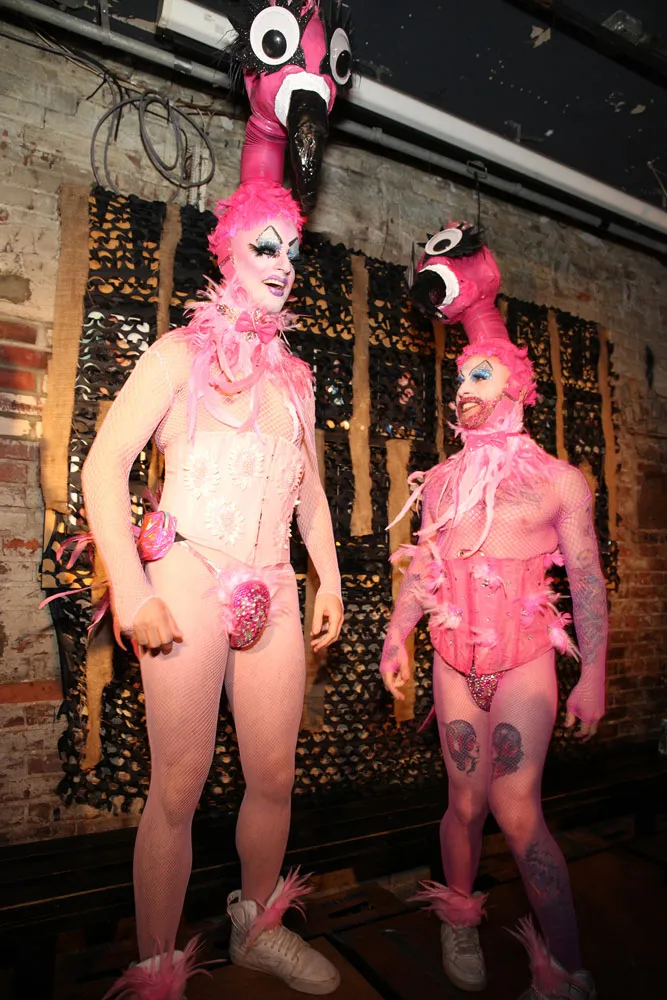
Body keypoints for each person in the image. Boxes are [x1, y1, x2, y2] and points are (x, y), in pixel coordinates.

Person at [83, 179, 344, 997]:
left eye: (293, 250)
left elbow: (308, 494)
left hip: (273, 585)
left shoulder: (295, 379)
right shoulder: (176, 355)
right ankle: (158, 967)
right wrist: (133, 592)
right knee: (177, 785)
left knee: (273, 776)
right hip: (187, 574)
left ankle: (257, 929)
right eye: (266, 246)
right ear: (226, 253)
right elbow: (102, 469)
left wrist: (329, 579)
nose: (283, 263)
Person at [380, 223, 607, 999]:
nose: (462, 388)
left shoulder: (558, 481)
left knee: (516, 811)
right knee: (464, 802)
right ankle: (458, 915)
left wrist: (593, 674)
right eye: (459, 377)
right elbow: (424, 570)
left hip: (523, 665)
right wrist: (395, 636)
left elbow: (585, 580)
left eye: (479, 374)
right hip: (453, 665)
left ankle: (565, 969)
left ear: (516, 385)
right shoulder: (441, 481)